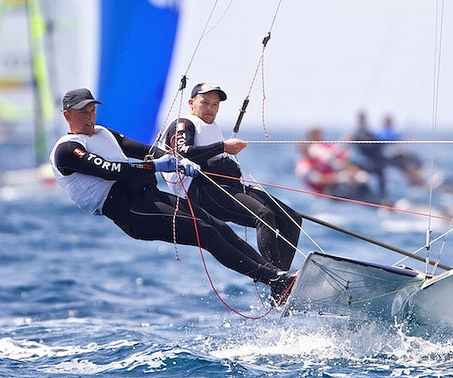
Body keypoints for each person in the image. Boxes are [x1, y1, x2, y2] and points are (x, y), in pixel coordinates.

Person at [49, 88, 295, 304]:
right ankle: (274, 279)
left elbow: (146, 150)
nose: (90, 117)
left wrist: (178, 161)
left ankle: (277, 277)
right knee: (206, 233)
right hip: (128, 210)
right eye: (83, 112)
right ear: (67, 115)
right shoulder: (67, 150)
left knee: (218, 226)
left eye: (92, 110)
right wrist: (157, 166)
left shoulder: (104, 133)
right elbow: (113, 170)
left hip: (146, 196)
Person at [161, 82, 301, 272]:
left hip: (229, 187)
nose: (210, 108)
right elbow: (182, 153)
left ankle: (281, 285)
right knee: (264, 215)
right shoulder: (183, 124)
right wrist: (223, 147)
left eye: (215, 105)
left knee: (292, 219)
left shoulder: (210, 126)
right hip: (203, 191)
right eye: (205, 103)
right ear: (191, 102)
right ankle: (278, 277)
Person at [295, 126, 376, 202]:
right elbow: (318, 179)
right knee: (353, 190)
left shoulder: (318, 155)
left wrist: (355, 173)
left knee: (362, 179)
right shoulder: (303, 167)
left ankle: (378, 202)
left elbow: (338, 163)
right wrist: (339, 178)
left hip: (339, 184)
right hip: (328, 193)